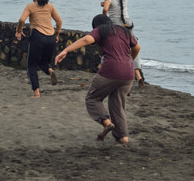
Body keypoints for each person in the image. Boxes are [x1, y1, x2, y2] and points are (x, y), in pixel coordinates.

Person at [55, 14, 140, 146]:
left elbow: (86, 40)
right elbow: (137, 48)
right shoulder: (124, 31)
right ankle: (123, 139)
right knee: (118, 106)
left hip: (111, 70)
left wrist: (65, 50)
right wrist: (129, 60)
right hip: (128, 73)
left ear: (96, 26)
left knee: (92, 98)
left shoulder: (101, 30)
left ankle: (107, 123)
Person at [15, 0, 62, 98]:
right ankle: (50, 71)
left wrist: (18, 30)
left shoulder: (30, 6)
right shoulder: (50, 6)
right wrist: (57, 34)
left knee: (31, 65)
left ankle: (36, 92)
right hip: (50, 37)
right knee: (43, 62)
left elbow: (21, 19)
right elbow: (59, 21)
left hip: (38, 36)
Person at [101, 0, 145, 88]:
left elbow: (106, 9)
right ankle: (138, 75)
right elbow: (117, 4)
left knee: (111, 48)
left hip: (116, 25)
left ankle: (106, 72)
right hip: (128, 24)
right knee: (134, 47)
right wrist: (105, 3)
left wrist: (104, 18)